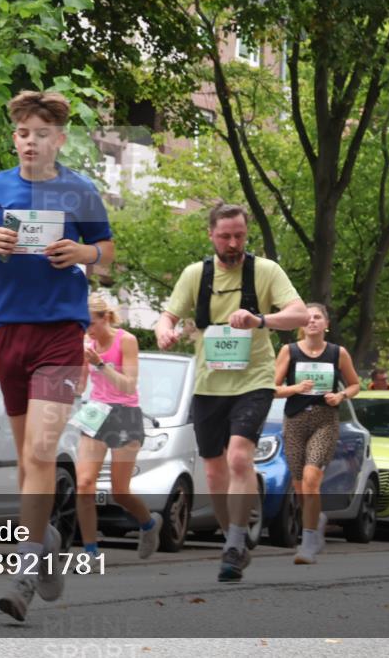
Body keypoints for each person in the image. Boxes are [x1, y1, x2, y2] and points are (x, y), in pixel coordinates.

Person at [0, 90, 114, 622]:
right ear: (15, 137)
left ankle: (23, 571)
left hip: (60, 334)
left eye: (41, 134)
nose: (30, 142)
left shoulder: (80, 191)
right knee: (28, 461)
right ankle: (45, 536)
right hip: (7, 332)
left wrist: (83, 253)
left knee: (43, 452)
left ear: (59, 139)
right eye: (23, 133)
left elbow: (108, 259)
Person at [155, 202, 308, 582]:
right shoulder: (196, 275)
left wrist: (260, 319)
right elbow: (168, 316)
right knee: (213, 469)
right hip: (210, 384)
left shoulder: (265, 271)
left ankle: (235, 544)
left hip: (254, 380)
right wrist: (164, 332)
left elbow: (300, 314)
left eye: (239, 235)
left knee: (240, 457)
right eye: (225, 236)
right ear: (211, 235)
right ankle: (233, 537)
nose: (233, 242)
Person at [74, 294, 161, 568]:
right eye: (84, 325)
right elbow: (80, 385)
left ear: (105, 318)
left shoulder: (126, 340)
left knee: (119, 491)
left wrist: (100, 363)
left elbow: (128, 385)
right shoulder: (85, 341)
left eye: (91, 324)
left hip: (125, 413)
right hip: (95, 412)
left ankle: (148, 524)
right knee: (84, 485)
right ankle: (91, 553)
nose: (88, 330)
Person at [274, 303, 359, 565]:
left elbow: (356, 384)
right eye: (308, 318)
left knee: (312, 479)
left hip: (325, 420)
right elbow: (272, 388)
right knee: (301, 488)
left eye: (317, 317)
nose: (312, 321)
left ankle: (307, 544)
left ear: (326, 324)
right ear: (301, 325)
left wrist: (341, 395)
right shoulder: (289, 351)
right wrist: (296, 388)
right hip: (295, 421)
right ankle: (316, 519)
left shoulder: (337, 353)